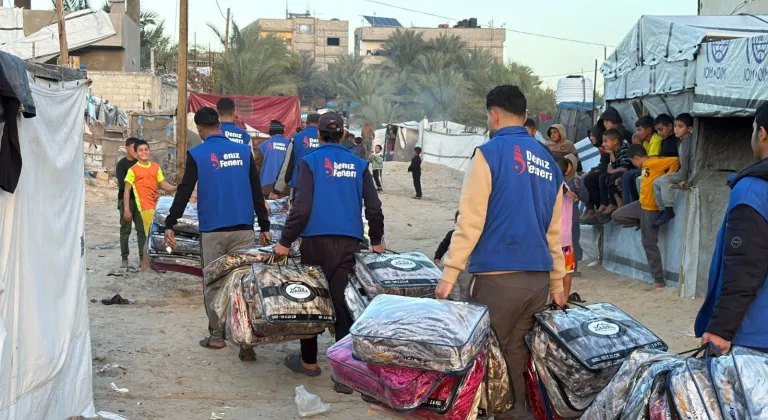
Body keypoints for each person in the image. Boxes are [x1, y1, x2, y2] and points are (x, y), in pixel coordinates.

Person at [435, 85, 566, 420]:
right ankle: (516, 412)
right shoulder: (549, 162)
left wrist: (449, 274)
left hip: (497, 277)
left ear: (493, 115)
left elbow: (470, 221)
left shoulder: (488, 154)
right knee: (516, 353)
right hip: (537, 281)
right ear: (525, 115)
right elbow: (554, 233)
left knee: (480, 356)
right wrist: (557, 284)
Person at [273, 112, 385, 392]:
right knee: (342, 302)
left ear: (319, 136)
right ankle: (344, 374)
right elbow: (374, 207)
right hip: (348, 242)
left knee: (310, 300)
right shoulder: (360, 164)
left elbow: (301, 208)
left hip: (314, 241)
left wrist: (285, 240)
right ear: (343, 135)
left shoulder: (310, 162)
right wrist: (377, 240)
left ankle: (309, 362)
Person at [164, 107, 271, 361]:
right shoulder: (244, 151)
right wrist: (265, 226)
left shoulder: (198, 154)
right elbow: (257, 192)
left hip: (213, 231)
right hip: (243, 230)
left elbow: (184, 190)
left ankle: (216, 336)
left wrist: (171, 221)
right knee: (243, 285)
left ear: (200, 129)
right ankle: (246, 343)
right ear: (219, 125)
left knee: (214, 283)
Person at [695, 102, 768, 355]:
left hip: (756, 335)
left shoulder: (752, 190)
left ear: (762, 133)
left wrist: (721, 329)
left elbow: (744, 265)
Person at [612, 145, 679, 290]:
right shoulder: (646, 165)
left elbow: (674, 160)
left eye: (633, 162)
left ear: (636, 158)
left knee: (649, 244)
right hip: (642, 204)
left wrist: (668, 176)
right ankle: (641, 223)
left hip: (652, 208)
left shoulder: (654, 162)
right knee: (617, 216)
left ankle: (659, 280)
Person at [123, 140, 176, 272]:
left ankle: (153, 264)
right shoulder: (133, 170)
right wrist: (127, 209)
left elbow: (163, 184)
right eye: (140, 150)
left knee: (156, 234)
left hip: (157, 205)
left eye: (146, 149)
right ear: (136, 153)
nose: (144, 152)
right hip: (145, 207)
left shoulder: (155, 167)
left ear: (149, 150)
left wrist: (176, 188)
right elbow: (127, 190)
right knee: (150, 235)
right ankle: (146, 266)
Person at [653, 113, 694, 228]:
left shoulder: (686, 140)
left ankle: (668, 209)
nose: (676, 129)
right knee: (656, 182)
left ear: (689, 129)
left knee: (665, 180)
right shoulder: (681, 140)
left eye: (680, 126)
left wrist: (683, 178)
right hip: (682, 172)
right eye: (675, 126)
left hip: (685, 173)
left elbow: (685, 162)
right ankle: (662, 211)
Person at [270, 113, 321, 200]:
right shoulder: (326, 139)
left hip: (299, 188)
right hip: (321, 188)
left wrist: (276, 190)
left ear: (306, 123)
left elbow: (287, 166)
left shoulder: (296, 138)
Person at [559, 154, 589, 297]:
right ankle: (563, 298)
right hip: (563, 227)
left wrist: (579, 188)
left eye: (570, 164)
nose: (568, 168)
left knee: (574, 243)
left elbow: (585, 197)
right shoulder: (561, 184)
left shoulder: (576, 180)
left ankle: (574, 266)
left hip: (572, 220)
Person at [116, 137, 146, 268]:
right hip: (126, 200)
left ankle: (142, 258)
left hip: (139, 200)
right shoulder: (121, 164)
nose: (135, 150)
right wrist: (126, 208)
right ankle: (124, 258)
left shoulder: (140, 164)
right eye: (134, 148)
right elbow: (124, 185)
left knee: (141, 230)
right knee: (125, 230)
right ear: (127, 148)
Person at [623, 116, 664, 204]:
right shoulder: (645, 142)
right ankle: (628, 204)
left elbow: (650, 162)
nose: (637, 133)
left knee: (631, 176)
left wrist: (638, 146)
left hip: (653, 170)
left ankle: (635, 204)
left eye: (639, 130)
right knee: (628, 175)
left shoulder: (655, 140)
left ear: (648, 130)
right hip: (646, 167)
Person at [597, 129, 632, 223]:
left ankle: (619, 204)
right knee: (603, 178)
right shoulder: (614, 150)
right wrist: (611, 154)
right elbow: (615, 165)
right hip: (619, 171)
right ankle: (611, 203)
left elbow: (624, 168)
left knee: (612, 178)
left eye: (605, 141)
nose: (603, 144)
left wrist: (612, 171)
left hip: (628, 171)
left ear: (615, 141)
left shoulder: (624, 148)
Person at [254, 120, 290, 198]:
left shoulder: (263, 146)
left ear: (270, 132)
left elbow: (256, 169)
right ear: (282, 131)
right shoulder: (290, 145)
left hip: (267, 187)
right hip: (286, 187)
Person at [582, 125, 609, 224]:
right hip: (605, 169)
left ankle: (597, 208)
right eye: (590, 136)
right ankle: (589, 209)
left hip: (608, 170)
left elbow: (604, 164)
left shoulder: (605, 146)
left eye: (593, 135)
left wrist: (592, 171)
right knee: (583, 177)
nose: (590, 138)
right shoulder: (601, 146)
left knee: (589, 178)